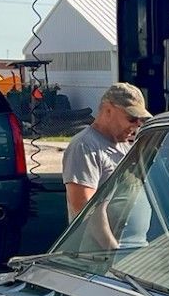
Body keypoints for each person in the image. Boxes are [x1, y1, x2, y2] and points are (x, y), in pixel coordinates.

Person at [63, 84, 149, 222]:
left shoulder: (125, 145)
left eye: (141, 120)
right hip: (99, 243)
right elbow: (83, 207)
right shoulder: (85, 146)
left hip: (133, 242)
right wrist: (109, 242)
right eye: (132, 118)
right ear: (108, 110)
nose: (137, 125)